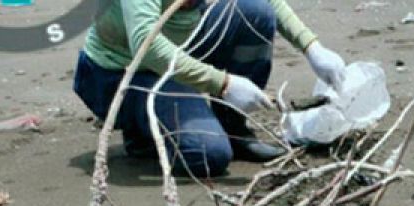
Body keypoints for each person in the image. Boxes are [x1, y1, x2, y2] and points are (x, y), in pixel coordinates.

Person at [72, 0, 346, 176]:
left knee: (256, 11)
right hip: (121, 72)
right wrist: (223, 83)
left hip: (180, 46)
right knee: (207, 154)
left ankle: (233, 128)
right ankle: (142, 135)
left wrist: (312, 47)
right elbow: (147, 46)